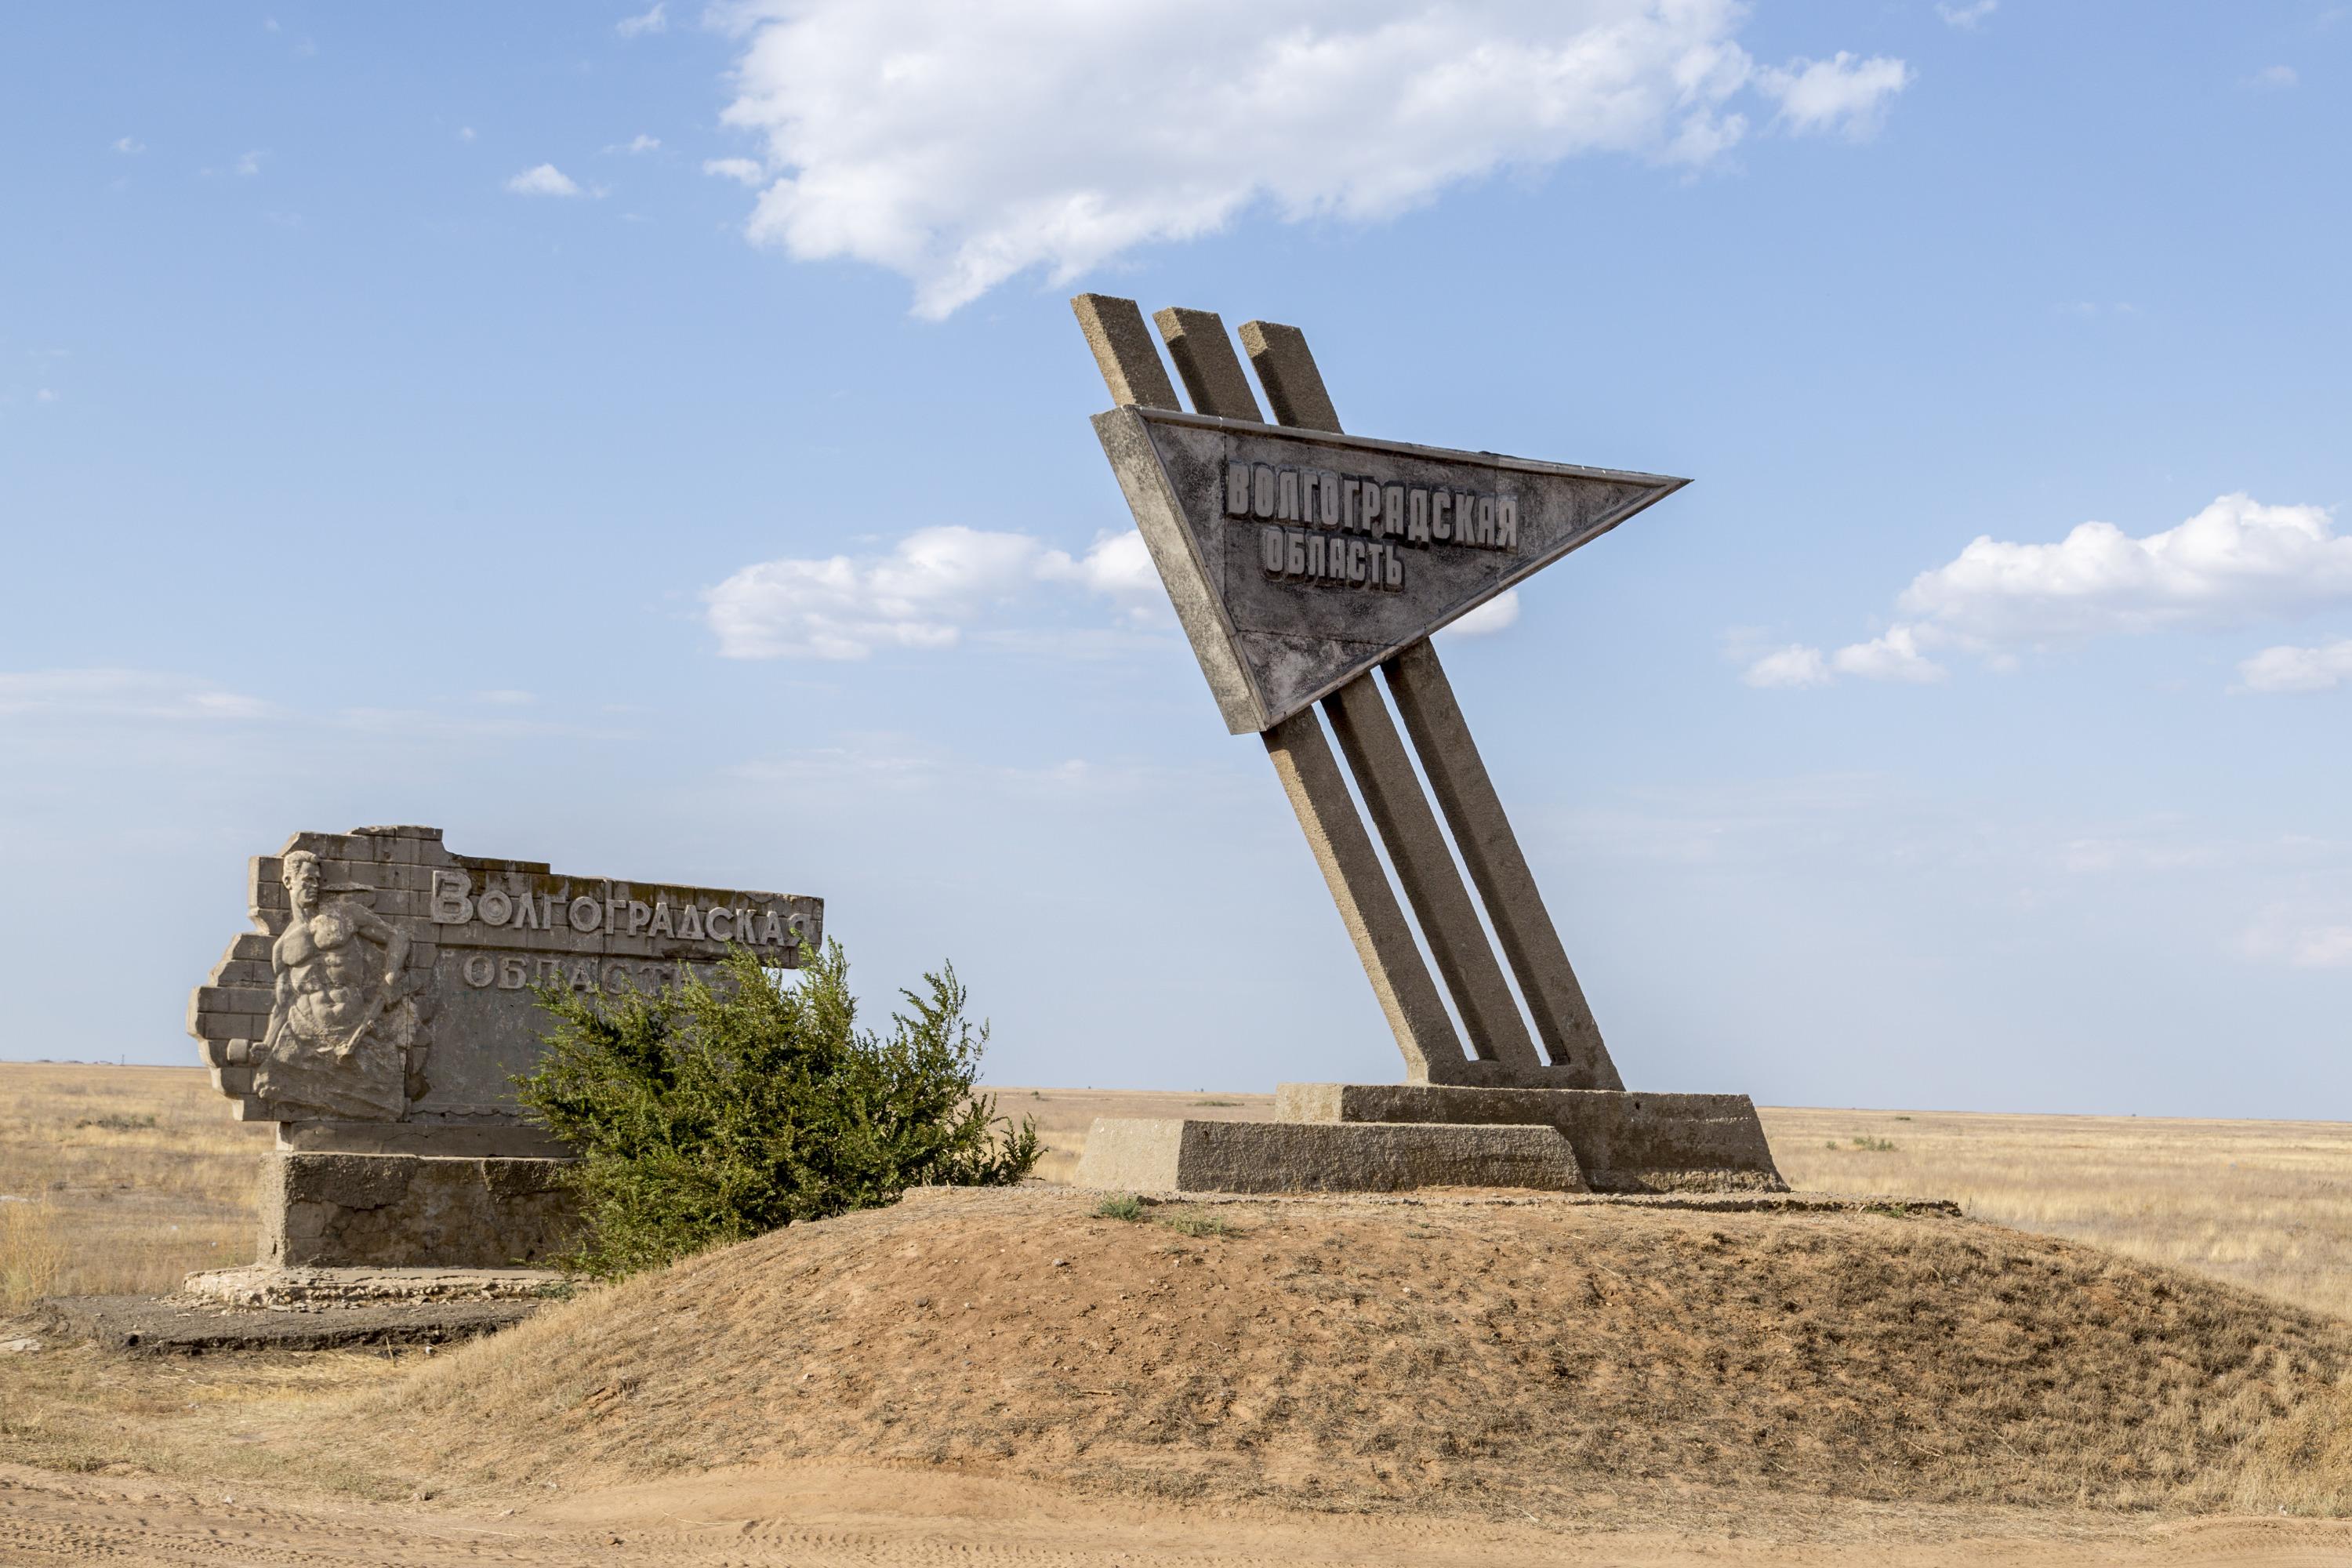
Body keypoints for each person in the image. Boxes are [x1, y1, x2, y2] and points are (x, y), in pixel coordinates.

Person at [253, 850, 415, 1120]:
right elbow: (282, 1002)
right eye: (307, 880)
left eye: (317, 880)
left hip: (354, 1028)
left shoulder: (345, 916)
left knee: (383, 1098)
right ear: (288, 881)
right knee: (271, 1082)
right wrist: (267, 1043)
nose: (314, 886)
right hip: (305, 1034)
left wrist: (390, 977)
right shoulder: (283, 946)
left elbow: (398, 938)